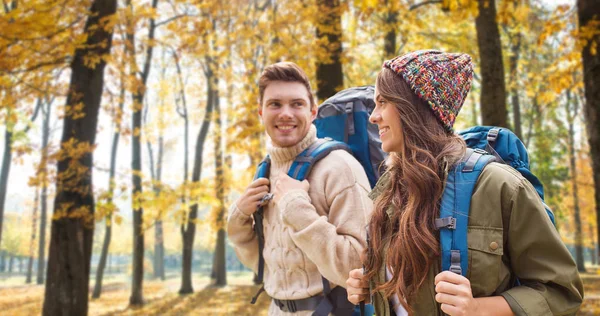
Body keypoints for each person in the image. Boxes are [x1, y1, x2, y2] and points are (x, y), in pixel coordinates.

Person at [345, 50, 584, 316]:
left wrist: (478, 308)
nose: (373, 116)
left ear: (414, 107)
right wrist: (370, 286)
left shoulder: (499, 186)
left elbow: (562, 292)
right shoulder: (388, 192)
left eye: (383, 102)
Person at [227, 61, 373, 315]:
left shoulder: (339, 168)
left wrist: (296, 209)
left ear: (313, 112)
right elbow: (269, 266)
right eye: (275, 104)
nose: (286, 113)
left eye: (297, 104)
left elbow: (358, 265)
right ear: (261, 112)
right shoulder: (265, 171)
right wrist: (238, 220)